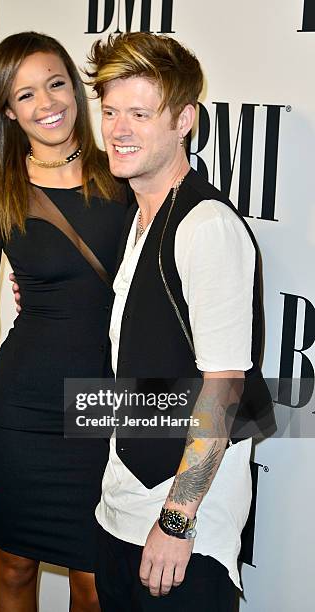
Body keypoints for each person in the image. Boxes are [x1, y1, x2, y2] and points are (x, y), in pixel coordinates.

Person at [83, 32, 272, 611]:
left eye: (140, 114)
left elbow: (225, 386)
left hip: (181, 529)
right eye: (111, 111)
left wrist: (178, 519)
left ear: (184, 119)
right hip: (123, 505)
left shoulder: (204, 225)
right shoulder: (137, 217)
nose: (118, 130)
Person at [0, 31, 129, 612]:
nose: (46, 103)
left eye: (56, 84)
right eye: (24, 94)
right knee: (11, 567)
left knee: (93, 579)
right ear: (7, 108)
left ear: (75, 90)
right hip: (20, 405)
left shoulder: (127, 179)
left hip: (104, 404)